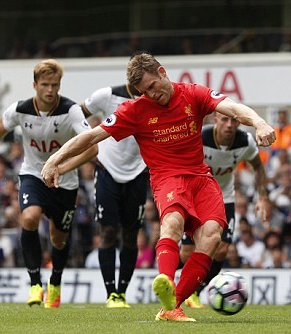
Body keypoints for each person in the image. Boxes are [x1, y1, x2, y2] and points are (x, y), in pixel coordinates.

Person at [41, 52, 276, 322]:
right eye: (144, 91)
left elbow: (233, 108)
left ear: (162, 72)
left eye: (152, 86)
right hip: (167, 178)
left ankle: (171, 304)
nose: (151, 94)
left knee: (213, 237)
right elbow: (92, 136)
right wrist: (54, 160)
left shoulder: (193, 94)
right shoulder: (135, 109)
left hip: (201, 177)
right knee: (172, 222)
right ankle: (165, 279)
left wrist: (259, 123)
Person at [0, 59, 97, 308]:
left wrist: (60, 167)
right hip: (33, 174)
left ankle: (55, 283)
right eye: (45, 84)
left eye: (55, 84)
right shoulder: (20, 110)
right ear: (34, 85)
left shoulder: (71, 110)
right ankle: (35, 285)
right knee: (29, 218)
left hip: (64, 181)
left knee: (58, 239)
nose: (50, 90)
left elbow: (92, 148)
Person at [179, 112, 268, 308]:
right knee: (187, 251)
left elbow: (258, 168)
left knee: (221, 250)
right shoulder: (200, 137)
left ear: (239, 122)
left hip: (223, 197)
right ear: (216, 119)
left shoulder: (245, 142)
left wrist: (262, 197)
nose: (229, 124)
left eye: (234, 120)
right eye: (225, 119)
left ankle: (195, 292)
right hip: (196, 196)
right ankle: (169, 276)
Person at [81, 82, 148, 308]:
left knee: (130, 235)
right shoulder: (107, 95)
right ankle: (111, 293)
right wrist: (89, 149)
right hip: (107, 169)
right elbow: (75, 114)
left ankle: (122, 293)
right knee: (108, 232)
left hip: (138, 171)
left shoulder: (155, 98)